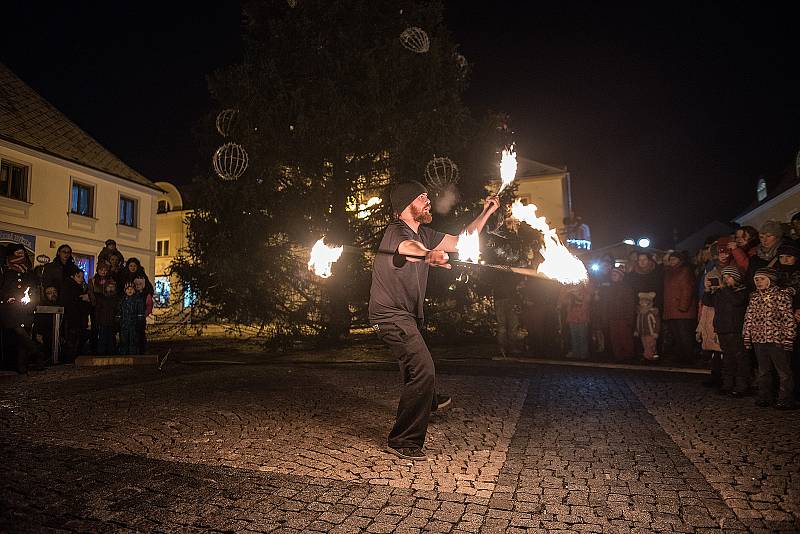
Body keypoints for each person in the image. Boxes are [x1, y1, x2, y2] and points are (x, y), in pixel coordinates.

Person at [369, 180, 499, 461]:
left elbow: (460, 240)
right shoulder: (396, 232)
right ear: (405, 206)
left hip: (406, 315)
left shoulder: (426, 234)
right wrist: (427, 254)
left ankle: (427, 400)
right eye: (420, 197)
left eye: (427, 195)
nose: (427, 200)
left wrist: (486, 212)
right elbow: (408, 247)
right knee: (424, 368)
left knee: (412, 365)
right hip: (389, 314)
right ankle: (402, 440)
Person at [743, 268, 796, 410]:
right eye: (756, 279)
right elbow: (749, 318)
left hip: (776, 339)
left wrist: (789, 337)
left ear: (770, 280)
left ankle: (785, 398)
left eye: (761, 279)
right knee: (763, 370)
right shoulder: (755, 297)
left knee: (783, 372)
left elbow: (788, 318)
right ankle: (764, 396)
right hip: (759, 339)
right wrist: (747, 335)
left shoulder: (780, 296)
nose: (758, 282)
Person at [702, 266, 750, 396]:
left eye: (729, 277)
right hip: (722, 329)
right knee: (727, 359)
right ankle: (727, 385)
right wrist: (707, 290)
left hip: (736, 330)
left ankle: (742, 386)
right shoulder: (721, 292)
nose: (725, 280)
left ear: (736, 278)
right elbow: (708, 302)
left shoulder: (742, 291)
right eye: (724, 277)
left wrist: (724, 289)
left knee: (740, 359)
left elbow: (736, 301)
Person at [0, 243, 45, 373]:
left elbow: (34, 290)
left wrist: (32, 302)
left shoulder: (29, 273)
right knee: (19, 332)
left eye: (22, 253)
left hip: (26, 309)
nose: (21, 255)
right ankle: (38, 353)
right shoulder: (5, 270)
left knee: (23, 338)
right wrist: (7, 297)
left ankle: (22, 365)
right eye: (17, 253)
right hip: (10, 310)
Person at [662, 251, 697, 365]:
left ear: (680, 260)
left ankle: (688, 357)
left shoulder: (684, 270)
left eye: (674, 259)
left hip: (681, 310)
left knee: (684, 335)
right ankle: (682, 356)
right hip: (673, 309)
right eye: (670, 259)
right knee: (677, 335)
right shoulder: (670, 272)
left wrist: (683, 306)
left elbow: (687, 289)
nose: (671, 261)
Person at [122, 258, 154, 353]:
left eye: (134, 266)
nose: (132, 268)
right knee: (127, 334)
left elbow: (149, 290)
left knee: (139, 333)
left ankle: (140, 351)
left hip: (140, 312)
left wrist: (144, 313)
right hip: (127, 313)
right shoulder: (124, 276)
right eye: (130, 266)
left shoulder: (142, 276)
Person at [61, 266, 91, 363]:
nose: (81, 279)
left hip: (79, 318)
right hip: (73, 318)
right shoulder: (70, 286)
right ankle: (69, 359)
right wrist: (82, 299)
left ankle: (72, 359)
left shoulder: (81, 286)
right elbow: (71, 301)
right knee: (72, 340)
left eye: (82, 277)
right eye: (79, 276)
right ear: (73, 276)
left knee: (76, 339)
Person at [605, 267, 636, 362]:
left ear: (621, 276)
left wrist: (630, 318)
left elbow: (630, 304)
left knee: (625, 337)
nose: (613, 276)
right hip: (612, 317)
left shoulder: (626, 288)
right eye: (612, 275)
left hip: (623, 317)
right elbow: (606, 304)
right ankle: (618, 356)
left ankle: (628, 356)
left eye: (615, 274)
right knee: (615, 337)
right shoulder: (609, 288)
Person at [745, 220, 783, 288]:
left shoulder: (785, 254)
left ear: (777, 236)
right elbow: (749, 279)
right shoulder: (755, 258)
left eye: (768, 236)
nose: (765, 240)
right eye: (761, 237)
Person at [117, 282, 145, 355]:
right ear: (125, 290)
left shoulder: (138, 300)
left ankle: (133, 354)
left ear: (134, 290)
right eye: (128, 289)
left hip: (134, 324)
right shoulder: (122, 300)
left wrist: (140, 321)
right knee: (124, 340)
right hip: (124, 324)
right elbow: (119, 311)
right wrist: (118, 319)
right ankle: (123, 353)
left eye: (131, 289)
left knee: (133, 340)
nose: (129, 290)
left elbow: (140, 312)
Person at [95, 279, 120, 355]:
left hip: (112, 322)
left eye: (112, 287)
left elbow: (118, 310)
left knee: (111, 338)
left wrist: (117, 319)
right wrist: (97, 320)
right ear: (106, 287)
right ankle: (101, 352)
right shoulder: (102, 298)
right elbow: (98, 310)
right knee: (102, 338)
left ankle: (111, 352)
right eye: (109, 286)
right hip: (103, 322)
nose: (111, 288)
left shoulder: (116, 298)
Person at [635, 292, 660, 361]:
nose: (643, 303)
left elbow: (656, 323)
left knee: (651, 346)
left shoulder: (652, 312)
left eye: (645, 301)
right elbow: (637, 322)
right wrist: (637, 330)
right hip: (643, 333)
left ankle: (653, 357)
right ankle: (648, 357)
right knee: (645, 345)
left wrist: (656, 332)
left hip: (650, 333)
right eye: (642, 301)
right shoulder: (640, 313)